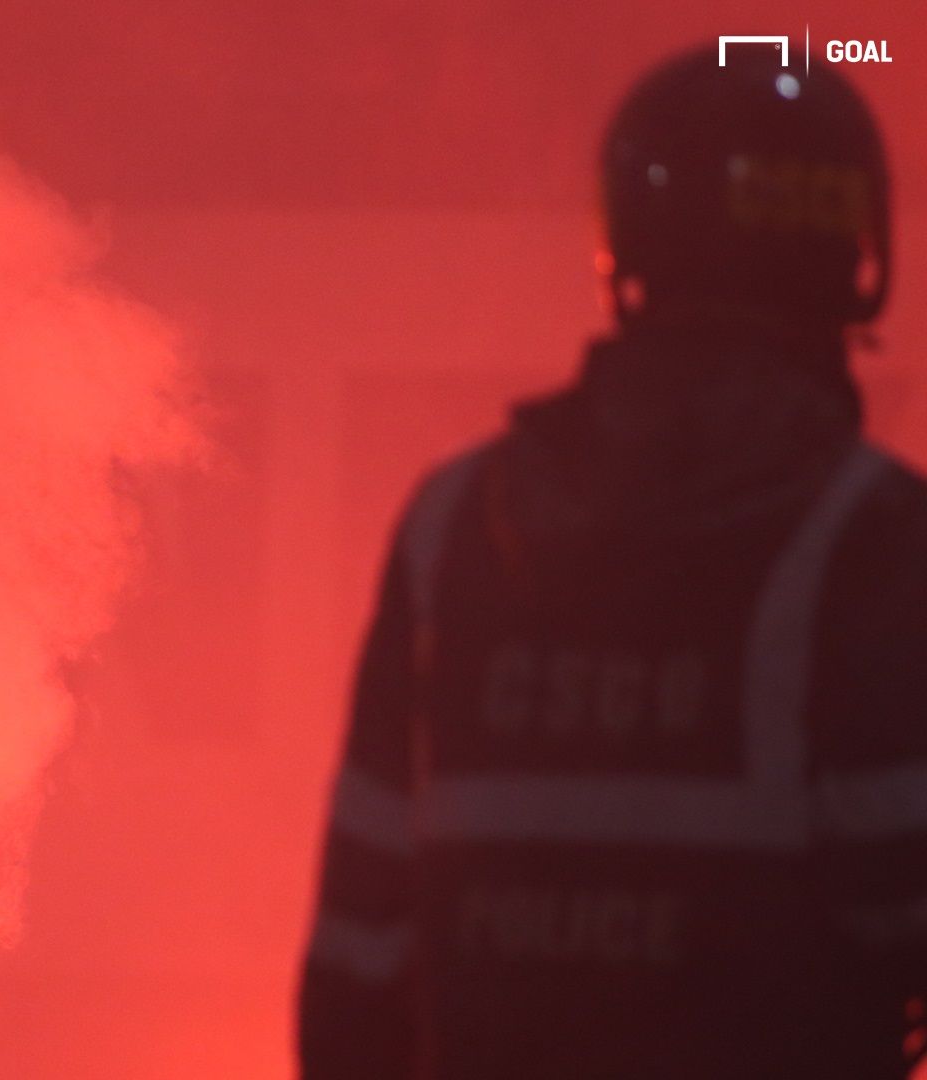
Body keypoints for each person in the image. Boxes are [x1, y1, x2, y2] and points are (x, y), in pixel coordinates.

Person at [300, 45, 927, 1079]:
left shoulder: (453, 527)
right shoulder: (880, 544)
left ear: (624, 245)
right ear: (858, 253)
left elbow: (355, 973)